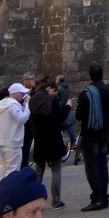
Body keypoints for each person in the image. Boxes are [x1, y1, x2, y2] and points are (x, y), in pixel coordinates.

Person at [74, 62, 109, 211]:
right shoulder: (107, 90)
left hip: (90, 134)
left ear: (90, 76)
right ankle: (104, 197)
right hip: (104, 133)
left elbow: (79, 116)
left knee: (92, 167)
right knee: (102, 165)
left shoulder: (86, 94)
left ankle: (97, 198)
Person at [29, 76, 72, 209]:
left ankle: (35, 199)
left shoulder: (33, 100)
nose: (55, 92)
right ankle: (56, 199)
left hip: (39, 139)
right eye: (53, 89)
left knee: (39, 170)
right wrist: (68, 107)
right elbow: (60, 117)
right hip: (53, 138)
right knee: (56, 169)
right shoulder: (51, 100)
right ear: (49, 88)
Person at [0, 82, 31, 191]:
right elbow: (22, 118)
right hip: (12, 142)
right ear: (15, 93)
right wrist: (27, 105)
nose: (24, 95)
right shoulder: (13, 104)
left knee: (1, 170)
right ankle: (8, 199)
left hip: (0, 141)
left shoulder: (0, 104)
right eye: (22, 93)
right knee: (12, 171)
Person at [55, 75, 77, 148]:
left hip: (61, 108)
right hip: (65, 107)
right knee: (67, 126)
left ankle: (71, 141)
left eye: (56, 79)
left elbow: (58, 99)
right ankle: (73, 141)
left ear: (59, 80)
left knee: (64, 126)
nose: (55, 80)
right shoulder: (66, 87)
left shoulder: (59, 88)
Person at [19, 73, 36, 168]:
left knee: (26, 147)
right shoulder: (20, 92)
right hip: (21, 123)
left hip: (30, 124)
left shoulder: (35, 92)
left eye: (32, 79)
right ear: (24, 81)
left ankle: (24, 165)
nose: (30, 81)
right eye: (28, 79)